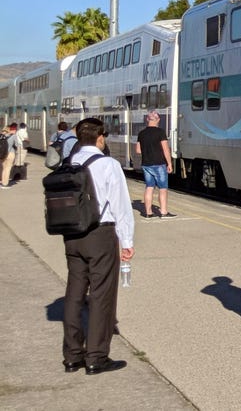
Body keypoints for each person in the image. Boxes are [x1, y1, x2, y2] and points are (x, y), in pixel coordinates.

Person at [61, 117, 135, 375]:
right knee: (102, 294)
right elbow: (120, 206)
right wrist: (127, 241)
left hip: (72, 234)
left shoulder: (70, 162)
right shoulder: (108, 164)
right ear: (100, 138)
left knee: (74, 293)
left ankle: (72, 355)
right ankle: (96, 356)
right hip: (100, 235)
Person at [136, 111, 174, 218]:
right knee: (163, 188)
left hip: (146, 164)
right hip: (159, 164)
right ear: (158, 120)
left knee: (149, 187)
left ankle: (148, 213)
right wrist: (169, 163)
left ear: (147, 119)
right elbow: (166, 149)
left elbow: (138, 150)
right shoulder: (160, 132)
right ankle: (163, 212)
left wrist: (148, 152)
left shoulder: (141, 133)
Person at [0, 124, 18, 188]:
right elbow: (17, 145)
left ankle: (2, 181)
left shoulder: (2, 136)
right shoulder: (13, 136)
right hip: (10, 153)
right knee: (8, 169)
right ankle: (5, 184)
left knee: (3, 168)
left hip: (2, 154)